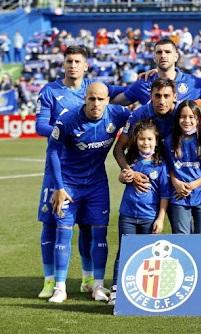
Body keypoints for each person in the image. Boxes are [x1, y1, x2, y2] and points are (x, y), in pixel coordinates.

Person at [35, 46, 109, 299]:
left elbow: (123, 95)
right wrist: (65, 131)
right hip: (58, 169)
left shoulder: (93, 89)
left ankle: (89, 279)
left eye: (78, 61)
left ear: (86, 65)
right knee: (50, 222)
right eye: (69, 61)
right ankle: (49, 280)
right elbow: (40, 125)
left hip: (89, 172)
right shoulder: (51, 91)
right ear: (63, 64)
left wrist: (147, 77)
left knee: (89, 226)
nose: (73, 65)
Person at [46, 82, 130, 303]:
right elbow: (53, 151)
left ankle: (98, 287)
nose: (95, 103)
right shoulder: (67, 119)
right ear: (85, 98)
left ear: (108, 100)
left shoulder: (118, 114)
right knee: (63, 233)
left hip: (96, 185)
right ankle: (60, 288)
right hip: (69, 185)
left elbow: (141, 116)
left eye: (100, 99)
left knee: (99, 235)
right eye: (91, 98)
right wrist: (59, 187)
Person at [109, 120, 170, 305]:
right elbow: (123, 178)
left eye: (150, 139)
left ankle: (146, 289)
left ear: (156, 140)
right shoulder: (131, 161)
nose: (146, 143)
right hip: (127, 214)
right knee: (124, 252)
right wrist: (123, 176)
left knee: (147, 254)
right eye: (142, 139)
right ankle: (116, 290)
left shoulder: (161, 165)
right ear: (136, 141)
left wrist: (160, 218)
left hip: (148, 217)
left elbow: (164, 194)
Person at [164, 100, 201, 234]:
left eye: (191, 117)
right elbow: (168, 168)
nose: (186, 121)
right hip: (179, 196)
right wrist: (176, 182)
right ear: (177, 119)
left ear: (198, 119)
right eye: (183, 117)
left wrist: (193, 185)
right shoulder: (169, 141)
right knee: (182, 240)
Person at [111, 39, 201, 106]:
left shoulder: (192, 82)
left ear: (176, 56)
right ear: (154, 58)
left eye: (167, 52)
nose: (163, 55)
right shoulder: (143, 84)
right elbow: (113, 103)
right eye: (159, 52)